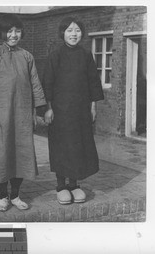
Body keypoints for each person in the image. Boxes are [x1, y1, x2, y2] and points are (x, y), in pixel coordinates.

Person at [0, 14, 46, 211]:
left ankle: (16, 195)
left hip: (23, 115)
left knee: (21, 154)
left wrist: (35, 112)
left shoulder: (27, 56)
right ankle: (3, 196)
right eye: (9, 31)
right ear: (2, 33)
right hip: (0, 117)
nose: (13, 35)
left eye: (17, 31)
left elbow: (36, 85)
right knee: (2, 154)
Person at [43, 17, 104, 205]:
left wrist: (93, 106)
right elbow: (47, 83)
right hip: (60, 111)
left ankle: (74, 184)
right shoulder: (55, 55)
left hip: (80, 110)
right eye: (70, 30)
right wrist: (48, 108)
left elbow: (93, 82)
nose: (74, 34)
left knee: (78, 146)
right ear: (63, 33)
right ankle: (61, 186)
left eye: (77, 30)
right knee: (62, 146)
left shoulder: (86, 55)